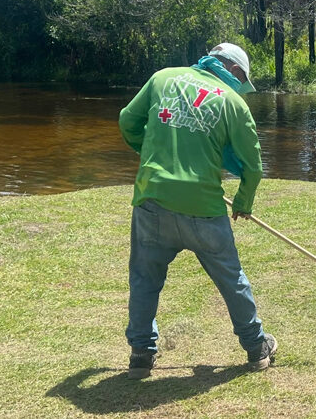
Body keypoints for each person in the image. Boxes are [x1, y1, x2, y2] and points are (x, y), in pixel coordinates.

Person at [118, 42, 276, 379]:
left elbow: (127, 121)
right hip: (203, 209)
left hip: (152, 201)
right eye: (242, 81)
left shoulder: (162, 78)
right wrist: (244, 202)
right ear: (233, 71)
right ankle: (256, 349)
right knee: (232, 280)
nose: (241, 90)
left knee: (144, 279)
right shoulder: (232, 103)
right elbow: (253, 167)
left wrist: (148, 155)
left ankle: (141, 355)